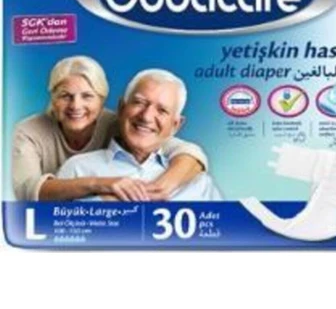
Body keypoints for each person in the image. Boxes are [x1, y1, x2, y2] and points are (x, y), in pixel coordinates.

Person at [13, 57, 208, 202]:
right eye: (65, 96)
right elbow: (26, 192)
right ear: (52, 97)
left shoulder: (122, 123)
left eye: (87, 96)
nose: (76, 106)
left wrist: (162, 188)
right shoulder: (29, 132)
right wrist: (103, 186)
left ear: (102, 100)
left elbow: (179, 147)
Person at [57, 69, 222, 201]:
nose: (146, 117)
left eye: (162, 110)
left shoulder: (198, 184)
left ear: (176, 125)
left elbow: (226, 232)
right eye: (139, 103)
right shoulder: (77, 169)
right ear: (121, 108)